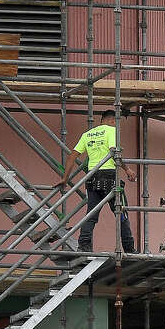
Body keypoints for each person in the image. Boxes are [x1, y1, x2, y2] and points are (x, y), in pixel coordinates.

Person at [62, 108, 136, 254]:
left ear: (102, 119)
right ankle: (129, 248)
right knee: (121, 212)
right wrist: (127, 169)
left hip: (92, 177)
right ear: (113, 120)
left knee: (91, 214)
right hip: (109, 176)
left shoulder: (87, 134)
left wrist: (65, 178)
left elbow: (72, 156)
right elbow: (115, 152)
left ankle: (83, 246)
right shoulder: (112, 131)